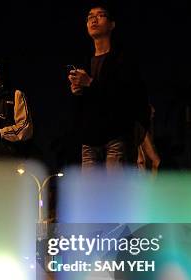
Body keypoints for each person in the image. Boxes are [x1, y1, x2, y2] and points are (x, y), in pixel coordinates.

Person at [68, 3, 150, 171]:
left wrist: (90, 83)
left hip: (116, 137)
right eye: (90, 17)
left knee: (114, 194)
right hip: (89, 139)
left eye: (100, 15)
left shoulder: (123, 59)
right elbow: (83, 106)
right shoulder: (86, 61)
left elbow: (126, 98)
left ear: (112, 24)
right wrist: (77, 91)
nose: (93, 20)